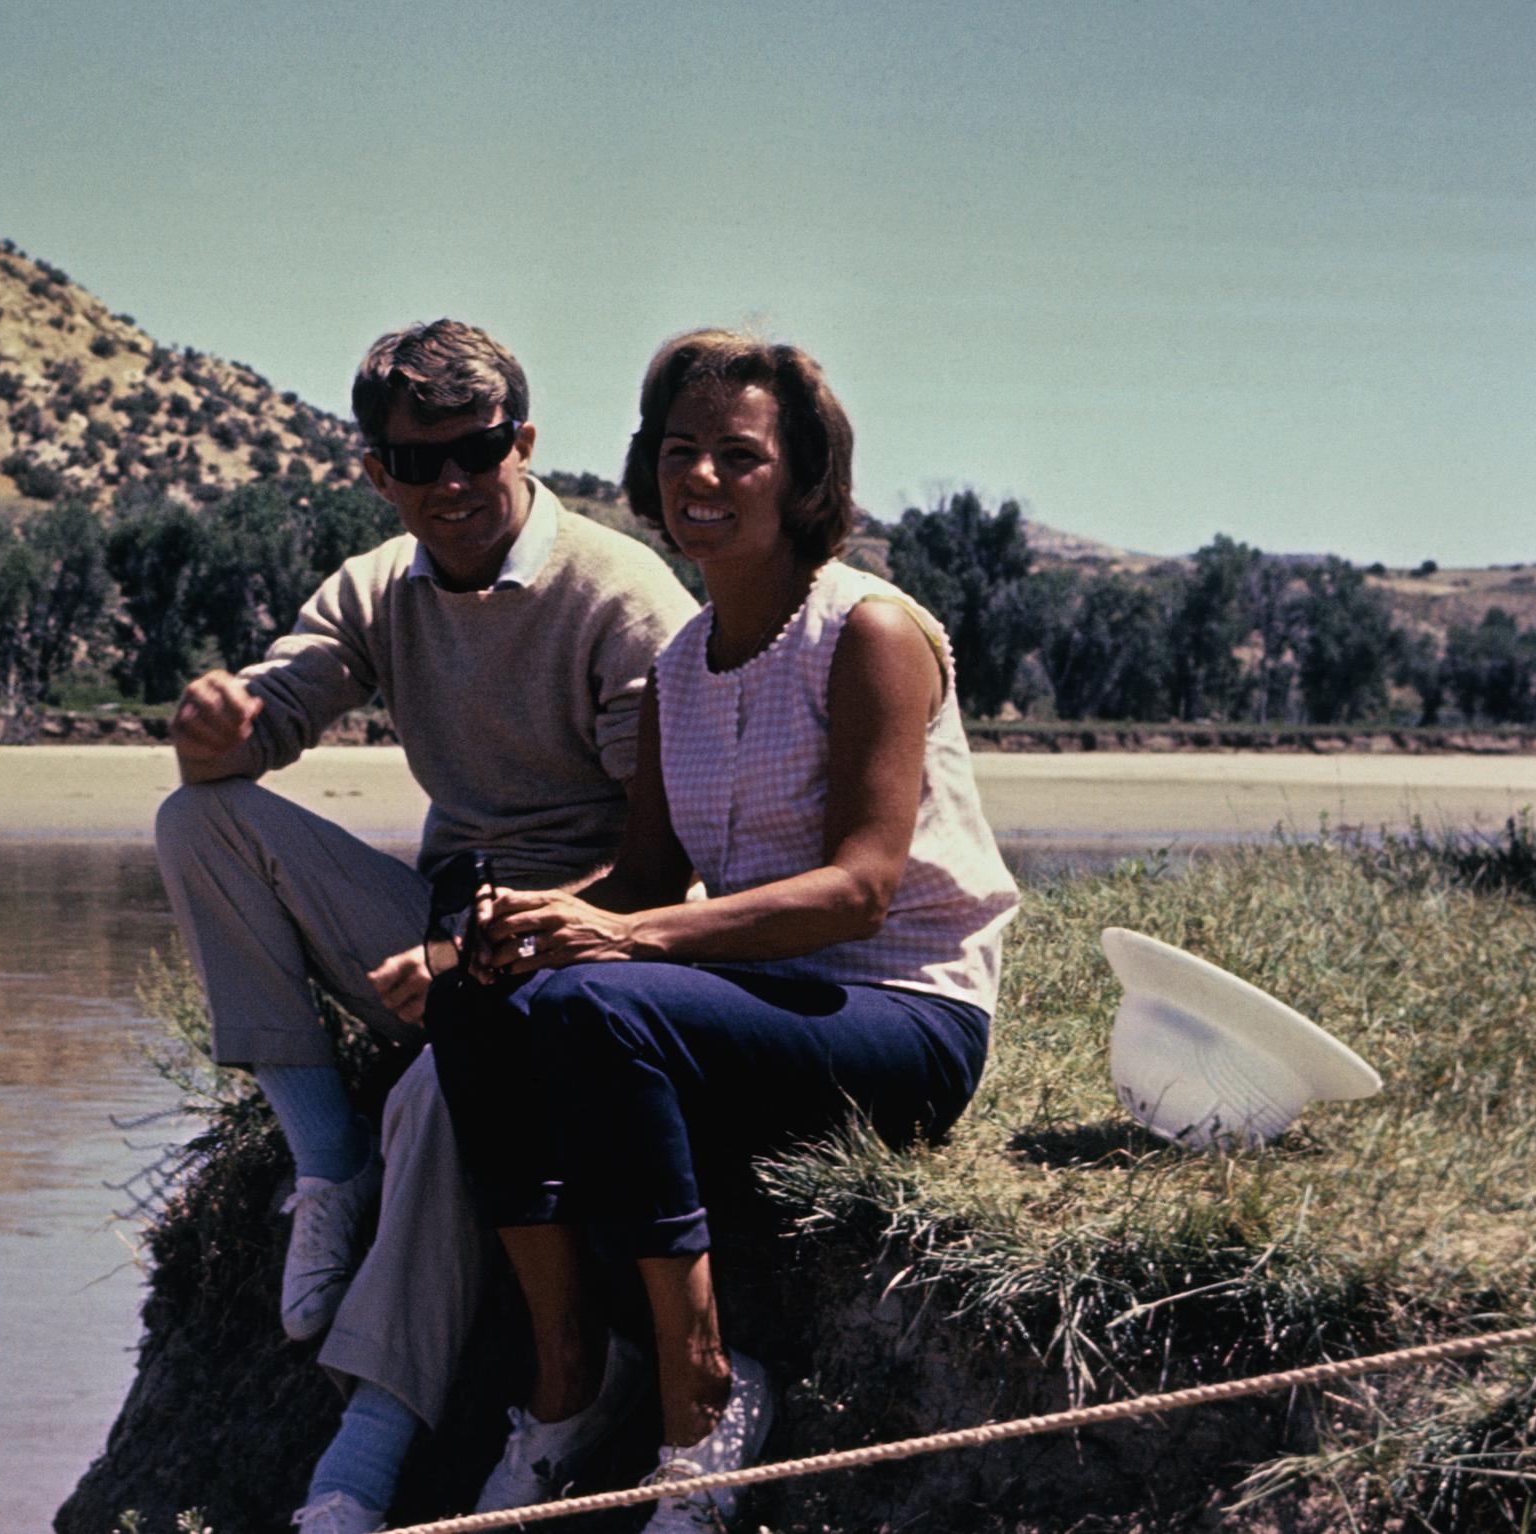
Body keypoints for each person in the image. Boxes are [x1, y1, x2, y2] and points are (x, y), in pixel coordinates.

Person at [427, 331, 1020, 1533]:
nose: (701, 479)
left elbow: (860, 888)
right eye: (679, 451)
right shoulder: (684, 665)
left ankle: (702, 1401)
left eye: (739, 457)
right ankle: (567, 1379)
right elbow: (648, 874)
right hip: (762, 1007)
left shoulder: (869, 632)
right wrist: (539, 922)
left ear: (805, 482)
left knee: (600, 1003)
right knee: (477, 995)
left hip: (906, 1017)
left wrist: (626, 942)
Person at [153, 318, 697, 1534]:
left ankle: (366, 1455)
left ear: (525, 443)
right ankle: (327, 1158)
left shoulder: (620, 596)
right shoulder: (377, 585)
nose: (451, 485)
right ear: (375, 471)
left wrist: (496, 952)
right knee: (199, 822)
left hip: (590, 943)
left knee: (447, 1087)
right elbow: (270, 718)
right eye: (418, 462)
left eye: (477, 449)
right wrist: (216, 731)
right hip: (444, 924)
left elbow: (671, 857)